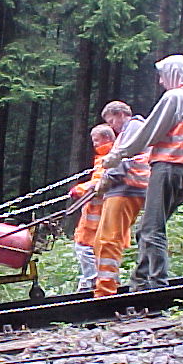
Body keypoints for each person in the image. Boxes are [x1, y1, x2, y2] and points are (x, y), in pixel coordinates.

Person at [102, 54, 183, 291]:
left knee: (152, 228)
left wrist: (117, 155)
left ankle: (157, 286)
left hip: (168, 166)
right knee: (147, 228)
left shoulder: (174, 97)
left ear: (171, 73)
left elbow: (148, 132)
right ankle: (140, 283)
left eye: (162, 76)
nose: (161, 82)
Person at [92, 101, 151, 298]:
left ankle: (106, 292)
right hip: (123, 190)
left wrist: (106, 180)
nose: (112, 127)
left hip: (126, 189)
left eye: (111, 121)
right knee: (101, 240)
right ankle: (106, 285)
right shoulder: (130, 131)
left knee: (109, 240)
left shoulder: (133, 127)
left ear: (119, 115)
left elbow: (123, 160)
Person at [69, 124, 116, 292]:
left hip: (97, 214)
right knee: (90, 248)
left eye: (96, 140)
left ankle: (91, 281)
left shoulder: (109, 157)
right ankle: (93, 280)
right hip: (95, 213)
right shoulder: (105, 157)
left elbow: (99, 182)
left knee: (84, 247)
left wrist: (79, 189)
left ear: (106, 139)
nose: (94, 144)